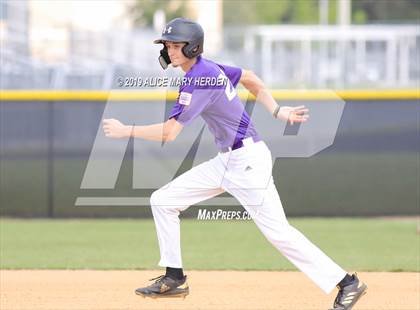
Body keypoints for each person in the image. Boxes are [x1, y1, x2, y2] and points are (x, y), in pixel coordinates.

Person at [102, 18, 367, 310]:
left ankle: (347, 283)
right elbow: (250, 77)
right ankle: (174, 277)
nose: (170, 50)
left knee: (279, 234)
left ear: (193, 48)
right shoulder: (209, 68)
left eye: (177, 45)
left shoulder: (198, 80)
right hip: (227, 161)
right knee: (163, 200)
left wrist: (126, 130)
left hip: (248, 163)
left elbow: (170, 132)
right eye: (167, 44)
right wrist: (276, 110)